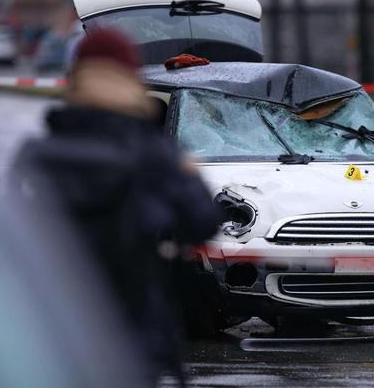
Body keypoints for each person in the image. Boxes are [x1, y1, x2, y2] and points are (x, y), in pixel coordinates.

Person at [13, 27, 221, 385]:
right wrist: (186, 172)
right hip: (133, 345)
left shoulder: (36, 156)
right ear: (129, 78)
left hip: (56, 343)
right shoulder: (153, 154)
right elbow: (202, 221)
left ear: (75, 78)